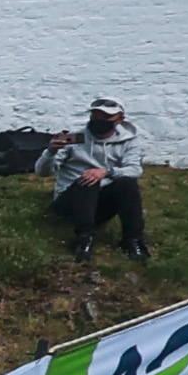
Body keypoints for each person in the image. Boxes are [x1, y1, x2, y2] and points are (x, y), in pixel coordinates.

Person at [50, 99, 149, 267]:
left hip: (99, 205)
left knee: (127, 183)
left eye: (106, 118)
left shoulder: (128, 141)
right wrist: (50, 152)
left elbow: (135, 169)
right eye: (95, 117)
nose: (99, 122)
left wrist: (107, 172)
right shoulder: (75, 139)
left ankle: (132, 239)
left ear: (120, 120)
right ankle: (84, 238)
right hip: (70, 202)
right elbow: (43, 171)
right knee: (88, 179)